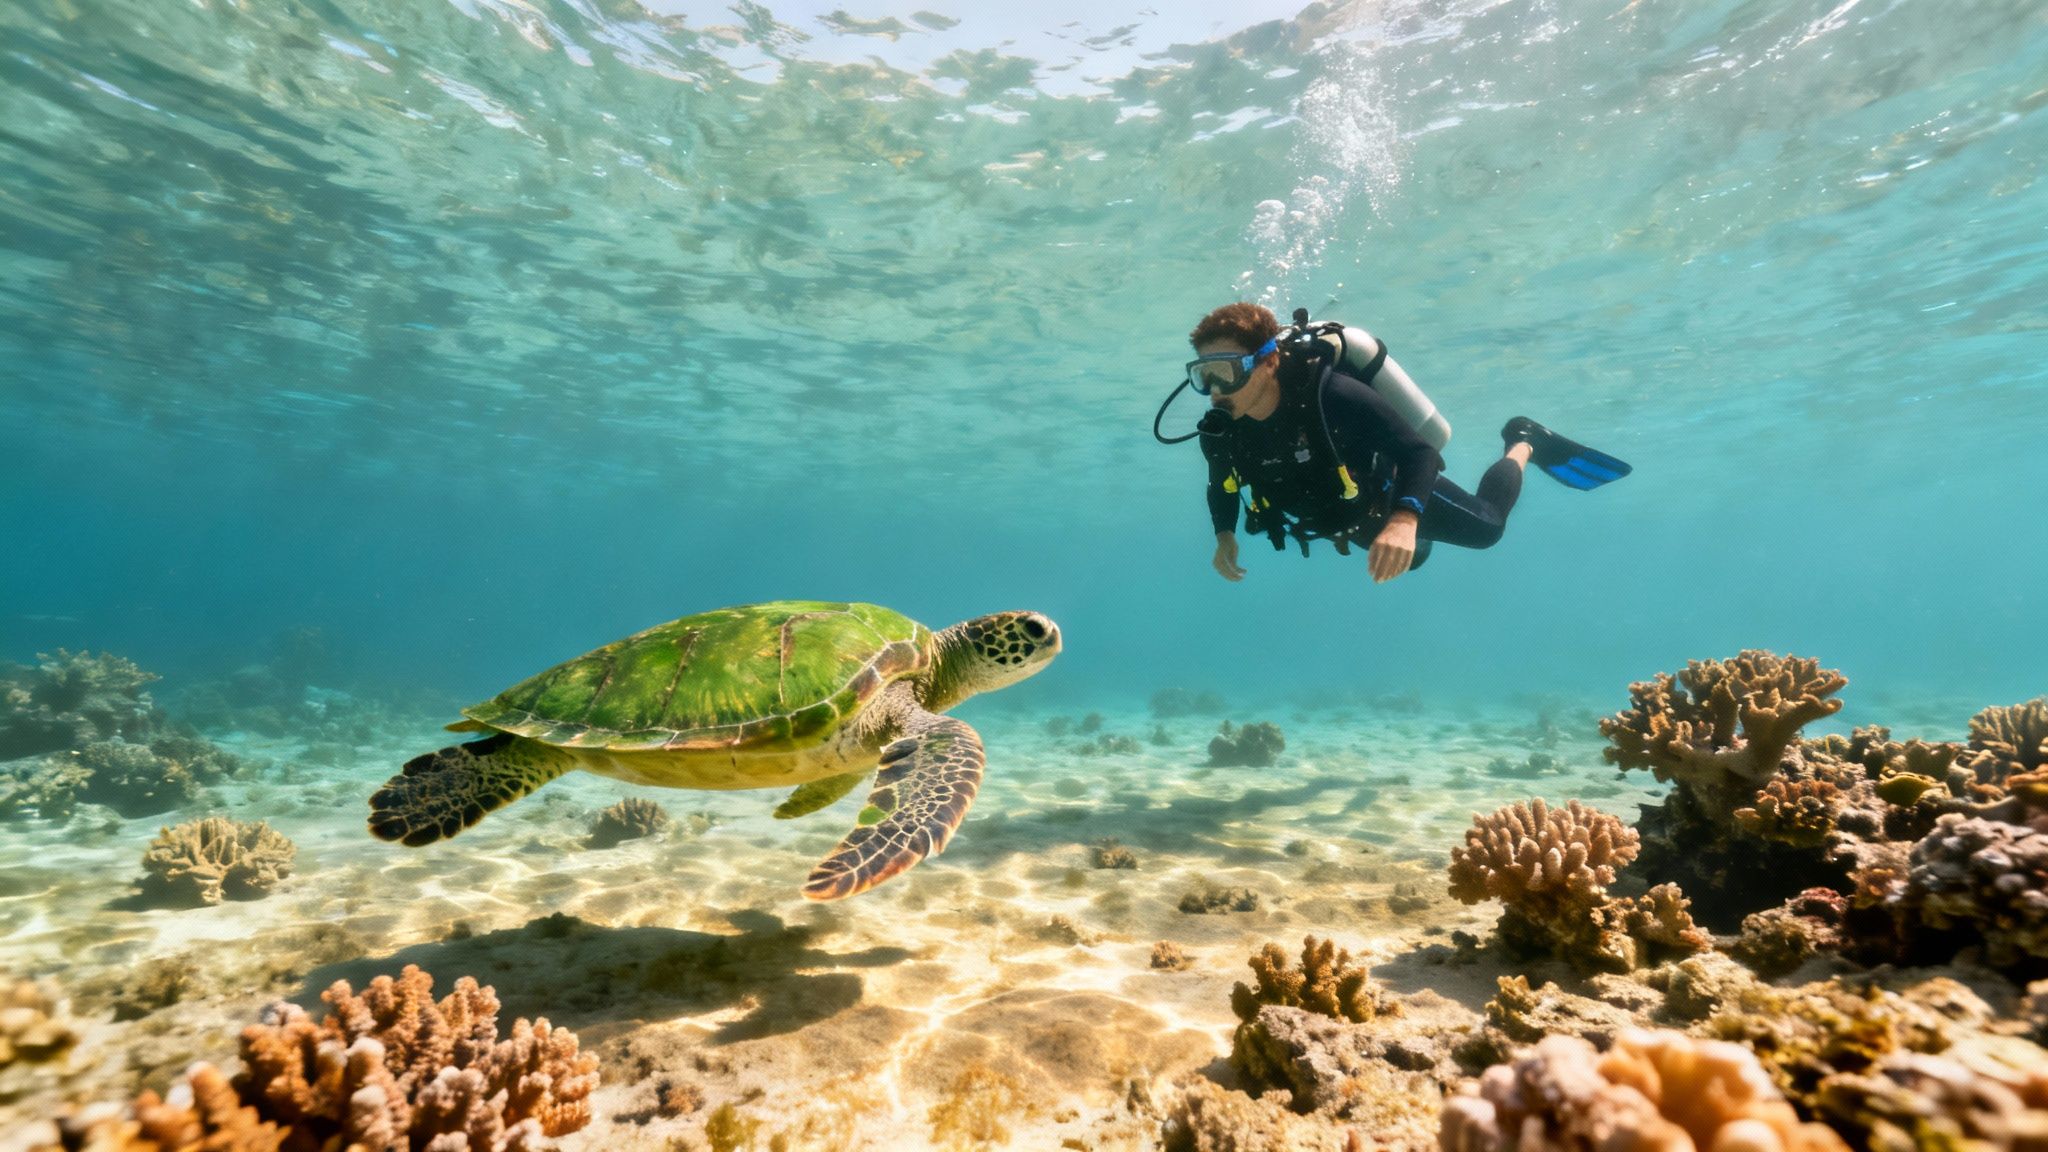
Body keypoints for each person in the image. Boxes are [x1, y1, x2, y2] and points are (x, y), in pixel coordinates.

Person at [1184, 302, 1630, 584]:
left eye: (1226, 370)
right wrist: (1224, 535)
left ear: (1268, 362)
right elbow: (1220, 485)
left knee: (1488, 529)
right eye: (1203, 374)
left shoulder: (1333, 397)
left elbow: (1421, 453)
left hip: (1389, 491)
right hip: (1346, 514)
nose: (1215, 389)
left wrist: (1403, 518)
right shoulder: (1222, 431)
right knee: (1413, 561)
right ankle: (1411, 535)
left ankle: (1524, 439)